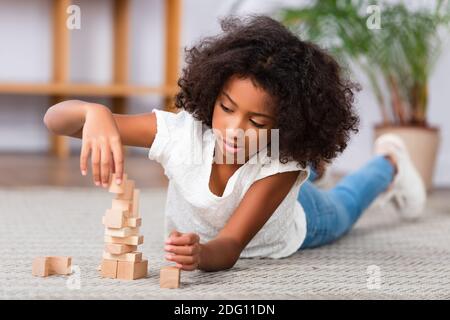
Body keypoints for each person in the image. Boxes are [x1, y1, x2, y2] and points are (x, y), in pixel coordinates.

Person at [43, 15, 426, 272]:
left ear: (286, 124)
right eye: (226, 108)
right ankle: (314, 169)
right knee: (302, 168)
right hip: (271, 166)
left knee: (345, 205)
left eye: (256, 122)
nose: (233, 130)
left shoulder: (279, 163)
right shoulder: (184, 133)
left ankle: (390, 161)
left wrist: (201, 255)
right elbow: (57, 121)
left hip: (299, 222)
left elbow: (229, 246)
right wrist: (95, 113)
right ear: (213, 94)